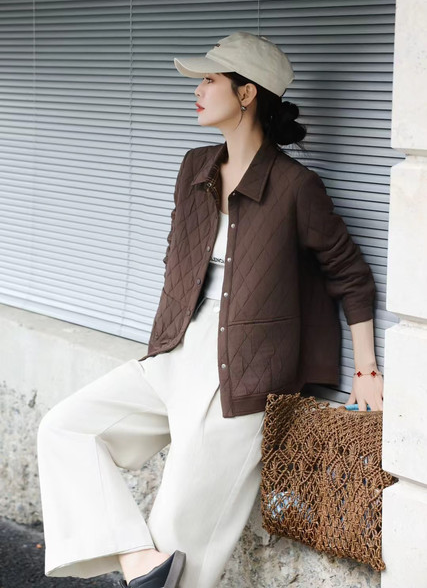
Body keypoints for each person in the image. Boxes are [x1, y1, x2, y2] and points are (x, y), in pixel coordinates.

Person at [37, 32, 384, 588]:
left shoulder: (295, 186)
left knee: (181, 545)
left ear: (247, 93)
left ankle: (153, 568)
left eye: (209, 80)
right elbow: (178, 257)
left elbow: (351, 274)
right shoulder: (195, 167)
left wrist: (366, 370)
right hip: (174, 356)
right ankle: (137, 560)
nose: (197, 91)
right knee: (66, 430)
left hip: (241, 381)